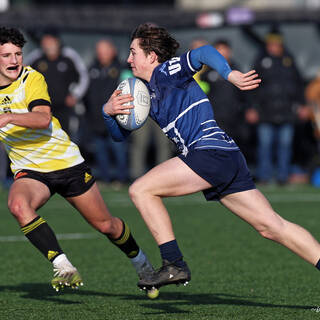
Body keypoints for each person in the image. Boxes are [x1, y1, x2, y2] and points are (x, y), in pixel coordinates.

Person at [102, 23, 320, 291]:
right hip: (224, 154)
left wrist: (230, 74)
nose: (128, 59)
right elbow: (119, 136)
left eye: (133, 52)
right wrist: (107, 111)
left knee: (141, 190)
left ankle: (174, 264)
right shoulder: (148, 94)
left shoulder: (166, 72)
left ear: (151, 56)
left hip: (208, 151)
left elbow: (204, 52)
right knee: (272, 226)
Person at [0, 26, 153, 292]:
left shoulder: (31, 78)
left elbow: (43, 118)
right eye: (6, 55)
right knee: (17, 205)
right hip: (30, 170)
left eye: (18, 54)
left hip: (66, 164)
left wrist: (10, 116)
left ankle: (141, 263)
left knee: (107, 225)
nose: (14, 61)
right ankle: (63, 265)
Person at [247, 31, 305, 185]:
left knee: (285, 145)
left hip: (286, 112)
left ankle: (282, 177)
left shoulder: (289, 61)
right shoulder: (261, 61)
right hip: (265, 112)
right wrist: (252, 108)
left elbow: (298, 85)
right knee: (265, 145)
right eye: (271, 44)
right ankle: (264, 176)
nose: (273, 47)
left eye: (276, 44)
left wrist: (302, 105)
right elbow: (253, 87)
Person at [25, 30, 89, 141]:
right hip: (42, 107)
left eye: (50, 42)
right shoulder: (36, 57)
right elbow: (23, 75)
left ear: (57, 42)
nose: (47, 45)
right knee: (43, 138)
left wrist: (76, 95)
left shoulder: (69, 56)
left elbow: (83, 76)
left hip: (64, 107)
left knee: (65, 137)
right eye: (45, 42)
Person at [198, 39, 252, 159]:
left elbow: (246, 94)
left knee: (235, 149)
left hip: (234, 118)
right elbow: (201, 94)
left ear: (229, 52)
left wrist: (248, 109)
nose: (222, 54)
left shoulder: (237, 71)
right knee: (216, 150)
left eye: (224, 51)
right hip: (214, 118)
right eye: (218, 51)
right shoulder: (206, 74)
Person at [84, 39, 129, 185]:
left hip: (116, 119)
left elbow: (128, 90)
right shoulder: (92, 69)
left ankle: (121, 178)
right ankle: (104, 178)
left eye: (105, 51)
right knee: (100, 151)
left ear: (113, 51)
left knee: (118, 149)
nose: (101, 54)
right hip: (96, 118)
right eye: (99, 51)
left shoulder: (122, 68)